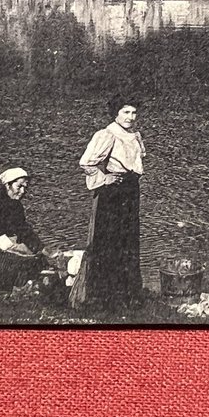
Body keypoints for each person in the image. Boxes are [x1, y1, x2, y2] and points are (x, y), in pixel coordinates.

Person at [71, 97, 146, 311]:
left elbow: (136, 163)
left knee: (128, 240)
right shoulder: (108, 134)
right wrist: (105, 178)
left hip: (131, 191)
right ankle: (106, 296)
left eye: (133, 113)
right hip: (113, 193)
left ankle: (128, 294)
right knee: (110, 241)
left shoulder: (135, 136)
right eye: (126, 112)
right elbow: (86, 162)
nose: (130, 117)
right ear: (115, 114)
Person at [0, 166, 48, 291]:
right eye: (19, 186)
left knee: (37, 258)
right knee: (25, 260)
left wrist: (40, 247)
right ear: (8, 186)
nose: (23, 191)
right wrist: (14, 245)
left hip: (2, 246)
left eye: (25, 187)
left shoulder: (16, 206)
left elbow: (23, 230)